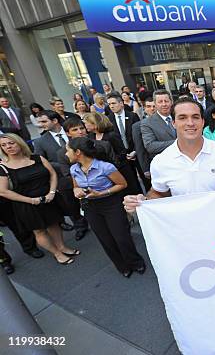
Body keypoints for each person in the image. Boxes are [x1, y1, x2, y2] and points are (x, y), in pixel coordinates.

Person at [123, 99, 215, 213]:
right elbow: (159, 193)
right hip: (183, 229)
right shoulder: (161, 161)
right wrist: (144, 202)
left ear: (203, 121)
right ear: (173, 123)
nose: (190, 123)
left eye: (195, 117)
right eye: (182, 118)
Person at [67, 137, 145, 277]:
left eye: (68, 151)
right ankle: (122, 266)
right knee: (105, 239)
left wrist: (101, 193)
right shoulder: (73, 169)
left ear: (78, 152)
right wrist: (76, 191)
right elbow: (76, 186)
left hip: (111, 204)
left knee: (121, 237)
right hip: (89, 206)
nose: (66, 154)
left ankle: (135, 262)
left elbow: (122, 184)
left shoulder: (105, 167)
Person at [0, 133, 78, 265]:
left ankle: (62, 247)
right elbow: (3, 191)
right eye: (3, 145)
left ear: (19, 143)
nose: (8, 147)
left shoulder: (37, 158)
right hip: (27, 204)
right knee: (39, 230)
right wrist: (31, 201)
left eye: (11, 143)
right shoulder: (3, 167)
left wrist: (52, 192)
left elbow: (52, 174)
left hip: (48, 198)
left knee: (54, 223)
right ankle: (57, 253)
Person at [83, 112, 142, 196]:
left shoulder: (111, 136)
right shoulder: (90, 137)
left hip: (121, 170)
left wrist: (109, 162)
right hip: (106, 174)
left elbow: (122, 153)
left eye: (86, 123)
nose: (85, 126)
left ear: (94, 123)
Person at [141, 90, 177, 161]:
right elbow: (150, 146)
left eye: (166, 101)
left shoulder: (179, 116)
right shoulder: (147, 123)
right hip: (165, 161)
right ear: (155, 104)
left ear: (171, 102)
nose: (164, 104)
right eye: (160, 102)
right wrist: (178, 142)